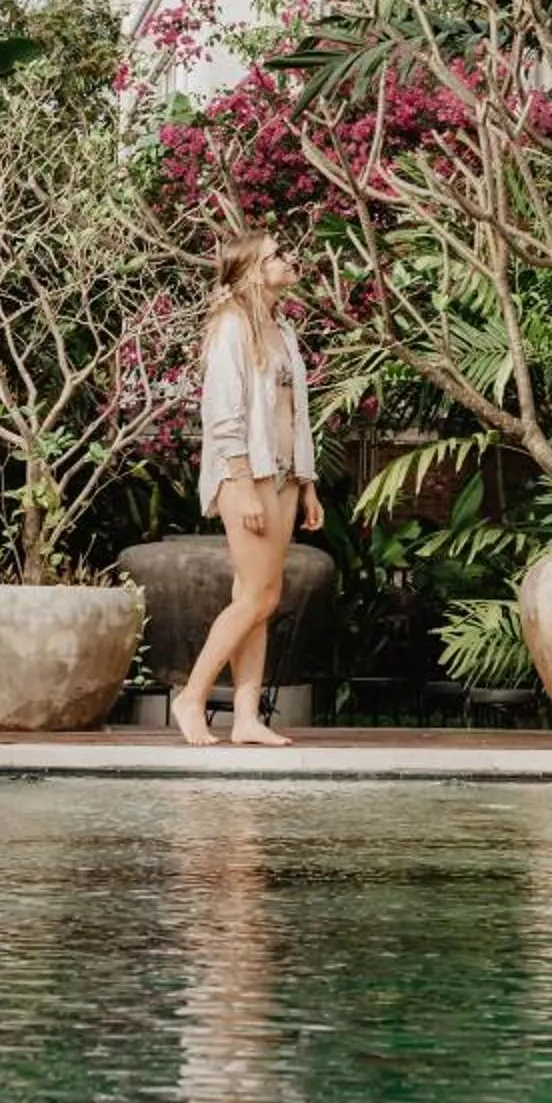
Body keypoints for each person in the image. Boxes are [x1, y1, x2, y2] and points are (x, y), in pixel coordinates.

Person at [172, 229, 322, 748]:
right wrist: (240, 483)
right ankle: (191, 698)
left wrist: (307, 484)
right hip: (248, 475)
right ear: (253, 271)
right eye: (278, 255)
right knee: (259, 597)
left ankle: (245, 716)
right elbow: (222, 416)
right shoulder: (232, 327)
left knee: (257, 596)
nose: (289, 259)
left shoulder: (283, 330)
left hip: (282, 475)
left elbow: (295, 416)